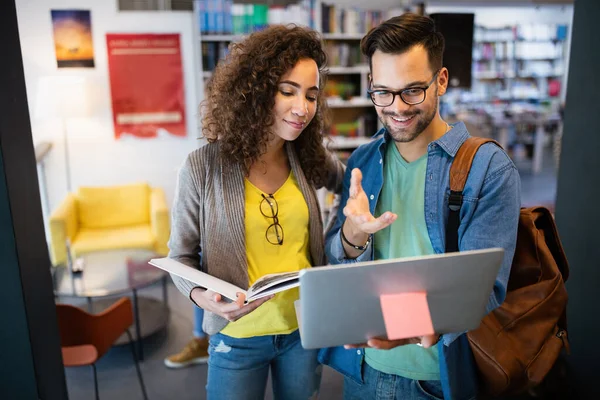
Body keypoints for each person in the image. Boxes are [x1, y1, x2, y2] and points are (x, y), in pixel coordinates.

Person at [319, 13, 521, 400]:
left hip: (436, 379)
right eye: (383, 92)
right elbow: (336, 258)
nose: (397, 107)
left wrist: (406, 325)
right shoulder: (362, 161)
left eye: (413, 90)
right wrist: (352, 235)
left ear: (441, 80)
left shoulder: (488, 169)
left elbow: (485, 289)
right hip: (362, 371)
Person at [168, 25, 344, 399]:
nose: (303, 108)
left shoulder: (307, 157)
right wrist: (202, 297)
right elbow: (179, 257)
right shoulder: (204, 166)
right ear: (256, 91)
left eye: (311, 95)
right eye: (288, 91)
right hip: (237, 337)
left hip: (301, 331)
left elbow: (352, 181)